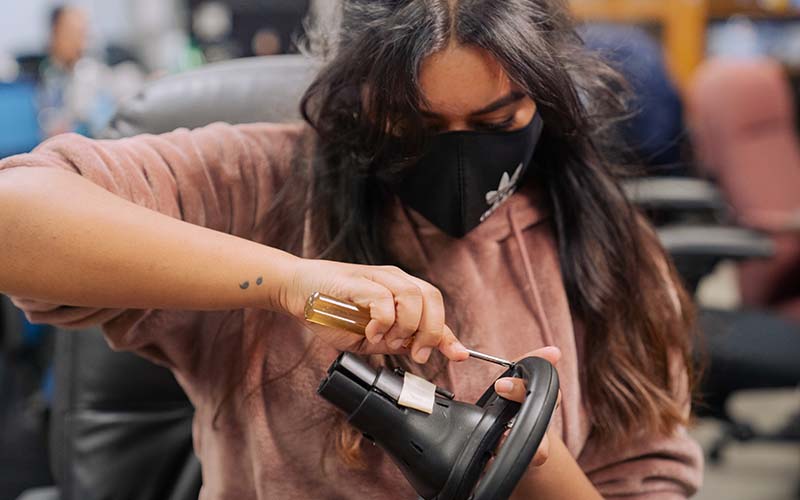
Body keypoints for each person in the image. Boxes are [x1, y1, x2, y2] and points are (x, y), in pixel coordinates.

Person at [0, 1, 703, 498]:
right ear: (356, 93)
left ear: (546, 95)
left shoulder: (605, 244)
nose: (458, 155)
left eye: (498, 120)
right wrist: (286, 281)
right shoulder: (258, 184)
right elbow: (14, 218)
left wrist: (527, 459)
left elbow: (648, 477)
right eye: (413, 123)